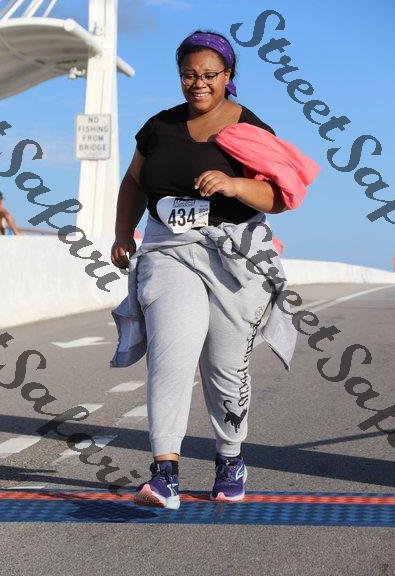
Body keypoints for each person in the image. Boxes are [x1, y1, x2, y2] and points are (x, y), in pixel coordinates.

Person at [110, 30, 297, 510]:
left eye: (209, 75)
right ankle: (164, 473)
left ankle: (230, 459)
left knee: (224, 366)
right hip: (168, 250)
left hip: (233, 256)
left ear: (227, 76)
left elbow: (279, 196)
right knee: (171, 353)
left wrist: (235, 185)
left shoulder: (249, 128)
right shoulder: (159, 127)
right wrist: (122, 233)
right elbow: (133, 182)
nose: (198, 83)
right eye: (189, 74)